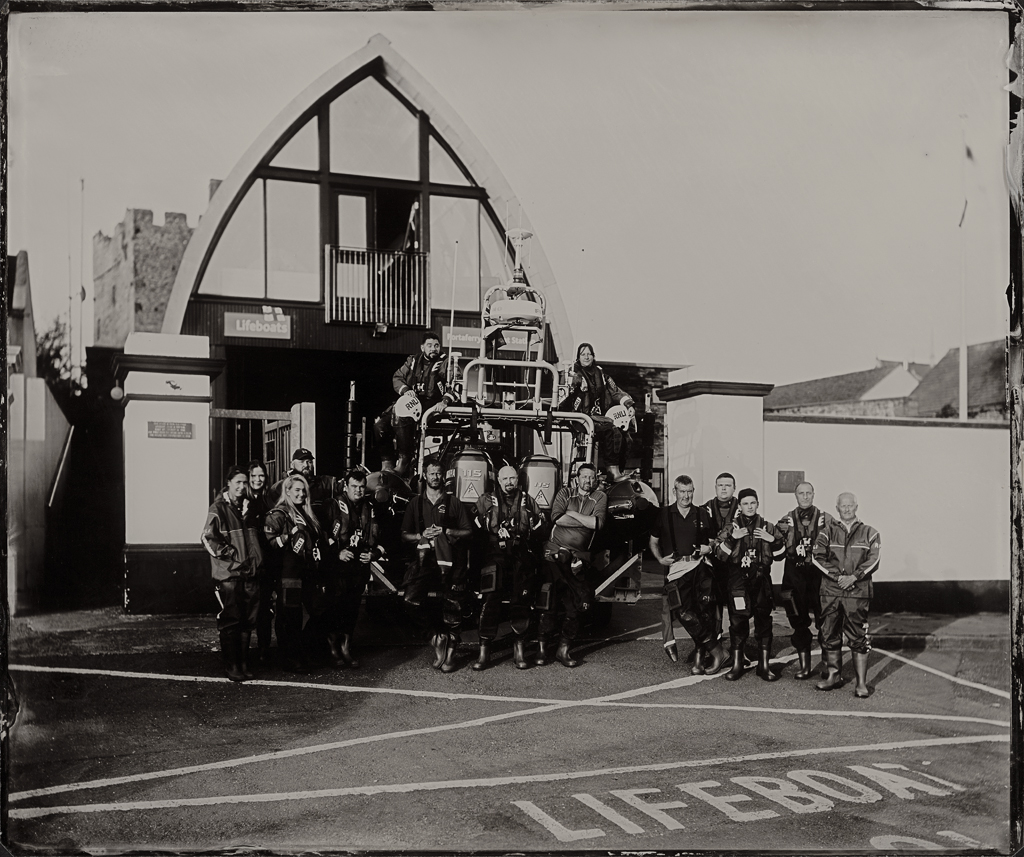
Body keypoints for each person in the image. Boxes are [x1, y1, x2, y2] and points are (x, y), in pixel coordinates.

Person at [400, 455, 473, 672]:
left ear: (444, 476)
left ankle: (450, 652)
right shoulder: (415, 503)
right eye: (431, 473)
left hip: (452, 561)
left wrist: (448, 531)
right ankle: (435, 638)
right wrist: (420, 535)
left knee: (453, 606)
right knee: (410, 600)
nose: (435, 477)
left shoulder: (454, 502)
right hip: (425, 560)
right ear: (425, 475)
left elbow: (468, 532)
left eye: (438, 473)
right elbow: (404, 535)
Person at [648, 475, 725, 674]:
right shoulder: (664, 514)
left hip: (699, 567)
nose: (686, 496)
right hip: (677, 571)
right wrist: (660, 559)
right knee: (684, 614)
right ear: (675, 492)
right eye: (682, 491)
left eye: (689, 491)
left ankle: (699, 660)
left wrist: (709, 547)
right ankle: (717, 651)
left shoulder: (702, 513)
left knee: (703, 613)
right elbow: (653, 541)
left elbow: (713, 540)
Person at [474, 464, 545, 671]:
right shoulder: (486, 500)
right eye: (505, 479)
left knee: (521, 599)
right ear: (498, 480)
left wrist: (526, 528)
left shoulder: (528, 501)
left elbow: (542, 527)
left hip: (520, 554)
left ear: (518, 480)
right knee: (490, 599)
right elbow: (474, 526)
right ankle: (484, 649)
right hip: (495, 554)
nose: (509, 482)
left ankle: (519, 649)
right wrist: (493, 528)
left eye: (512, 478)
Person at [537, 461, 607, 668]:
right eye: (584, 477)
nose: (588, 481)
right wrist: (585, 520)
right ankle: (542, 648)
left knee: (576, 603)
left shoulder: (600, 497)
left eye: (592, 477)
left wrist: (573, 515)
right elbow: (557, 518)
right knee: (549, 601)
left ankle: (563, 650)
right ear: (577, 479)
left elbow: (598, 523)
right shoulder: (565, 493)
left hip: (579, 558)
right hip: (554, 552)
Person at [811, 492, 880, 698]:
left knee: (858, 636)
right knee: (829, 633)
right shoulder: (826, 532)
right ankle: (833, 676)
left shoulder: (870, 533)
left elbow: (874, 560)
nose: (847, 509)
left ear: (856, 507)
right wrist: (839, 577)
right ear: (837, 508)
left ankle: (861, 683)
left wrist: (854, 577)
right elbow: (817, 557)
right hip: (831, 592)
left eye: (850, 505)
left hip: (857, 593)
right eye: (843, 506)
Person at [715, 488, 785, 682]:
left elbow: (781, 555)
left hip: (761, 580)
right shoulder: (731, 527)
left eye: (753, 503)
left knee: (764, 621)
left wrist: (773, 541)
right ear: (740, 506)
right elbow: (719, 555)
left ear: (757, 504)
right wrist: (733, 538)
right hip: (738, 581)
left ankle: (764, 666)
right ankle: (737, 665)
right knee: (738, 621)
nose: (750, 507)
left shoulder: (768, 527)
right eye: (745, 503)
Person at [201, 466, 264, 682]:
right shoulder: (218, 508)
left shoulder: (250, 508)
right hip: (229, 574)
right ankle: (232, 665)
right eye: (238, 482)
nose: (242, 486)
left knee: (248, 620)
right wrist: (230, 554)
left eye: (245, 482)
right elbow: (207, 538)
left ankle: (243, 663)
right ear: (228, 483)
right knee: (231, 619)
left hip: (250, 573)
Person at [263, 474, 324, 674]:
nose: (301, 493)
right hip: (288, 574)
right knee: (290, 617)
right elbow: (270, 544)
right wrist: (288, 535)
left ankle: (301, 650)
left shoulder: (308, 513)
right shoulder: (279, 514)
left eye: (303, 490)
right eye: (297, 490)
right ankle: (290, 658)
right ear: (287, 491)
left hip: (309, 572)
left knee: (320, 610)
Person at [375, 333, 459, 477]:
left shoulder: (446, 363)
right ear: (422, 347)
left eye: (436, 345)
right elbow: (397, 377)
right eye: (429, 345)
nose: (433, 349)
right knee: (380, 426)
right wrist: (405, 390)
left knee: (402, 417)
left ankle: (404, 460)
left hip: (432, 406)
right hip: (412, 401)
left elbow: (457, 384)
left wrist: (444, 401)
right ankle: (387, 463)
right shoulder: (413, 361)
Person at [324, 469, 381, 669]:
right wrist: (337, 553)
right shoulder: (333, 505)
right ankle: (333, 649)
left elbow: (382, 537)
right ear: (346, 487)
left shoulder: (370, 508)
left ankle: (346, 648)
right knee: (335, 607)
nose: (358, 490)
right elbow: (322, 534)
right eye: (354, 486)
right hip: (337, 568)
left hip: (359, 569)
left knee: (352, 609)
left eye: (361, 487)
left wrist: (374, 554)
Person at [774, 482, 831, 680]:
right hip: (795, 577)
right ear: (796, 496)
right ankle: (805, 667)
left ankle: (827, 664)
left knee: (826, 620)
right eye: (801, 493)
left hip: (819, 577)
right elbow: (776, 550)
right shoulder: (786, 520)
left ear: (813, 494)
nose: (805, 497)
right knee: (798, 621)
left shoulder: (826, 519)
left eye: (808, 493)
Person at [558, 343, 636, 481]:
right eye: (583, 354)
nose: (586, 357)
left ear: (593, 356)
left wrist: (628, 405)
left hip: (601, 418)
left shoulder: (601, 375)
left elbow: (616, 392)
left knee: (626, 436)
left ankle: (618, 471)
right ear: (578, 357)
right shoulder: (572, 374)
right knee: (611, 430)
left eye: (589, 354)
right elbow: (566, 394)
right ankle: (612, 472)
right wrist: (577, 385)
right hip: (582, 419)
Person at [699, 473, 741, 655]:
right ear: (715, 487)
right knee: (712, 610)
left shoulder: (743, 508)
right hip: (713, 567)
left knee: (737, 611)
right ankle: (714, 651)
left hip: (735, 568)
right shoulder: (704, 509)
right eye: (720, 485)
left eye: (728, 485)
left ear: (734, 488)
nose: (724, 488)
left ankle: (738, 651)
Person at [245, 460, 277, 663]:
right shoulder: (243, 500)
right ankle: (244, 653)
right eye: (254, 476)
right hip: (249, 562)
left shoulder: (269, 500)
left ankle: (264, 649)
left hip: (267, 561)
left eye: (261, 476)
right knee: (248, 607)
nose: (258, 480)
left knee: (265, 607)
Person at [274, 448, 338, 523]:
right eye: (301, 462)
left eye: (309, 462)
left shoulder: (326, 483)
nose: (306, 465)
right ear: (292, 464)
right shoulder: (280, 487)